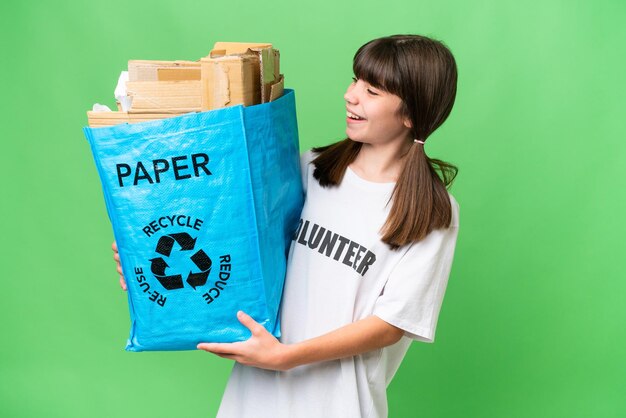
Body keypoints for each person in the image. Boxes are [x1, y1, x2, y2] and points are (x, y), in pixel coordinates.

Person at [113, 34, 460, 418]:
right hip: (256, 393)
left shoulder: (432, 211)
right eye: (355, 80)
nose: (351, 95)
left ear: (411, 114)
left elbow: (391, 323)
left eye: (372, 90)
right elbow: (237, 244)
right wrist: (149, 264)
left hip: (338, 405)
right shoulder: (310, 169)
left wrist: (287, 357)